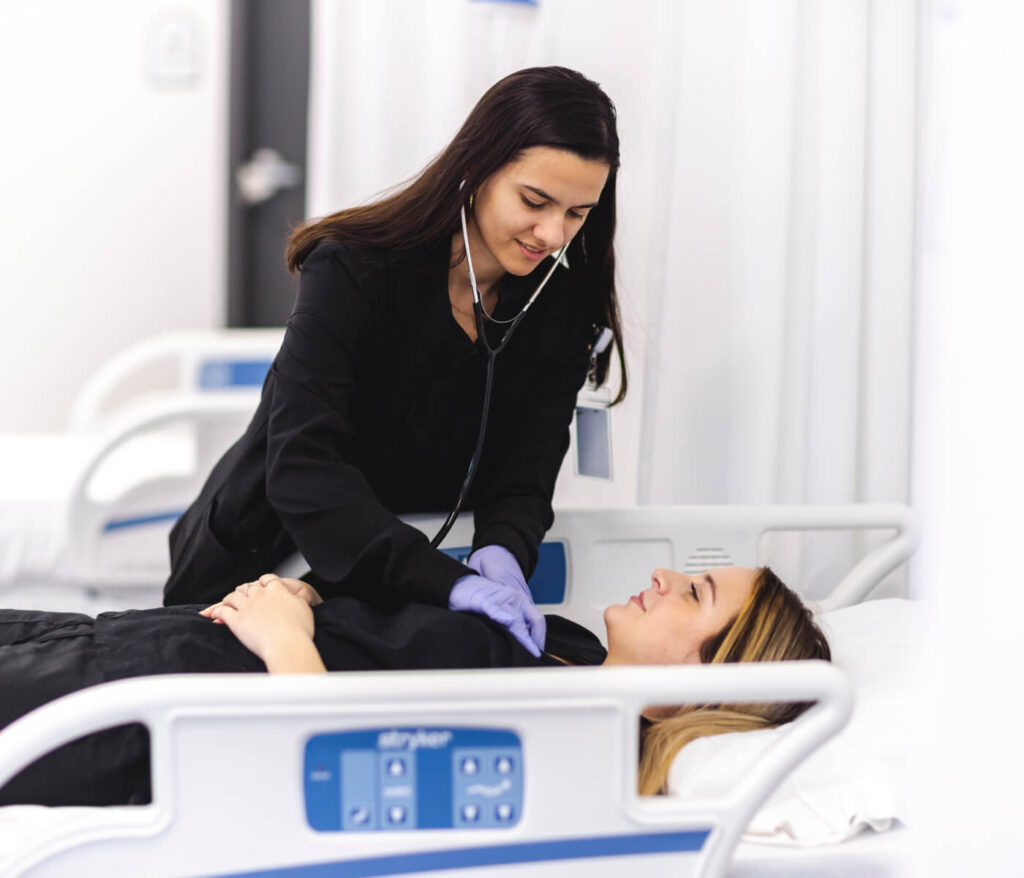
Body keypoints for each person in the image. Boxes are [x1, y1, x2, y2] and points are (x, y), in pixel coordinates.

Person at [163, 66, 627, 661]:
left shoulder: (559, 310)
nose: (551, 233)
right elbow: (305, 467)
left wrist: (505, 551)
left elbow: (526, 473)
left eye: (577, 213)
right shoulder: (354, 269)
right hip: (265, 555)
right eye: (534, 201)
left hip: (397, 586)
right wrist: (451, 582)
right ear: (479, 166)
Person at [0, 564, 828, 805]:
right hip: (118, 646)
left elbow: (357, 782)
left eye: (694, 594)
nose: (665, 573)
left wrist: (287, 641)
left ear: (706, 676)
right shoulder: (565, 648)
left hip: (117, 721)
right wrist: (309, 597)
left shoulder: (568, 742)